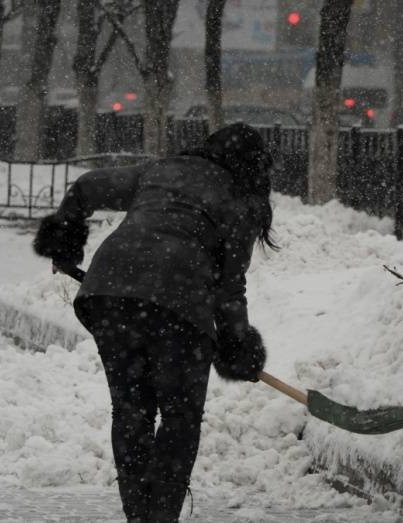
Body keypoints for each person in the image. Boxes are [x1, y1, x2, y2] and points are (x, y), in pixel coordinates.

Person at [32, 123, 277, 523]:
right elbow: (230, 287)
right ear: (255, 167)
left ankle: (139, 518)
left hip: (110, 291)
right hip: (178, 303)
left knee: (131, 412)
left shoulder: (163, 169)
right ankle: (159, 518)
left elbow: (85, 187)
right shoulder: (240, 200)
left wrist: (65, 237)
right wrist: (237, 342)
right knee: (180, 419)